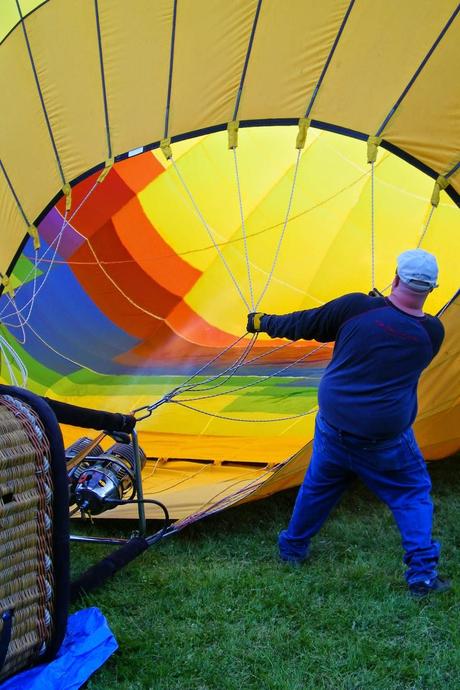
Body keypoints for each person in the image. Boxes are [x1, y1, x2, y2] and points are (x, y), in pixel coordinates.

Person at [247, 249, 450, 597]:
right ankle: (422, 576)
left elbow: (304, 323)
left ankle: (293, 549)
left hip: (335, 428)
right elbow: (395, 338)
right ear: (432, 289)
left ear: (396, 278)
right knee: (411, 496)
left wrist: (262, 322)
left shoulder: (356, 307)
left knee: (319, 485)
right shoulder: (433, 332)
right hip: (384, 440)